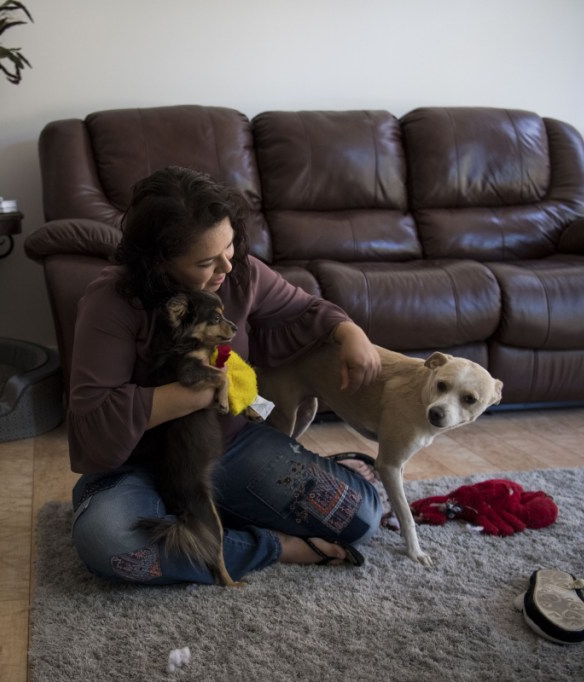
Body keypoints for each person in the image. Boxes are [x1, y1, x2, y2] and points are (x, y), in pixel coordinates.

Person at [68, 166, 383, 585]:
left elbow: (305, 309)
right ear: (159, 261)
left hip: (226, 446)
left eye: (230, 246)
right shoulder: (111, 301)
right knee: (112, 544)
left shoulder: (241, 273)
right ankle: (272, 545)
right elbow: (96, 415)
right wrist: (208, 389)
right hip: (134, 465)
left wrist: (349, 331)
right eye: (205, 261)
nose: (226, 266)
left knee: (361, 518)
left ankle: (224, 519)